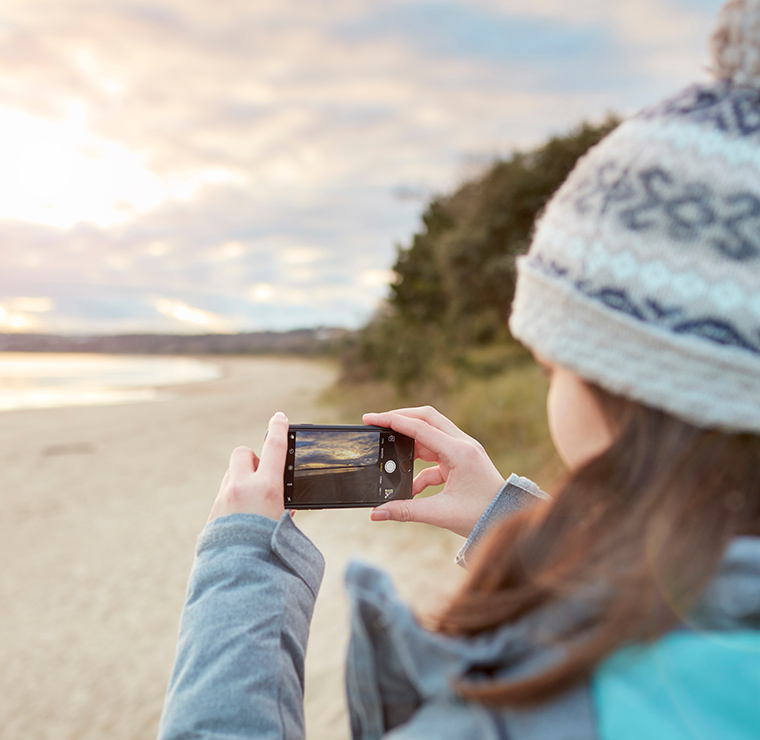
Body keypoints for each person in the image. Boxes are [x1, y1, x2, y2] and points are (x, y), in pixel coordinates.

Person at [158, 2, 760, 738]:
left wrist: (243, 565)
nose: (549, 382)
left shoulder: (526, 717)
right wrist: (510, 520)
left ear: (636, 387)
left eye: (556, 365)